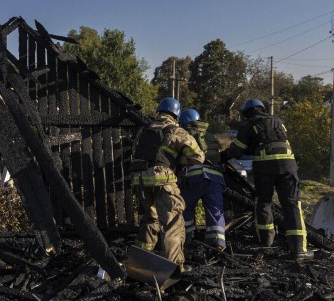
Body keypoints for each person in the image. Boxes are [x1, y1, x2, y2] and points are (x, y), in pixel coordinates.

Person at [219, 99, 309, 259]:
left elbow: (237, 151)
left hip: (265, 167)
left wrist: (221, 157)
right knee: (292, 205)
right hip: (288, 165)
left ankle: (266, 241)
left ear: (246, 113)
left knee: (263, 202)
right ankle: (299, 250)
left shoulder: (248, 125)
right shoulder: (277, 121)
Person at [130, 98, 204, 273]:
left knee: (150, 219)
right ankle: (173, 267)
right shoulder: (177, 131)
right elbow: (198, 157)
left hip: (139, 179)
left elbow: (135, 152)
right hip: (163, 179)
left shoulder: (143, 130)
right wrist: (180, 160)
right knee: (173, 223)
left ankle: (139, 262)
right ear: (176, 115)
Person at [178, 109, 226, 249]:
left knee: (185, 208)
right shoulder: (210, 136)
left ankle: (187, 240)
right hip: (215, 178)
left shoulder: (184, 135)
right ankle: (217, 243)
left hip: (193, 177)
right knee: (215, 210)